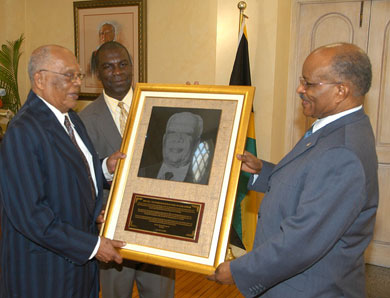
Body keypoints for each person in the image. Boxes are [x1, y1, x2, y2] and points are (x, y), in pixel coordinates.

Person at [208, 43, 379, 297]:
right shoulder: (333, 127)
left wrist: (239, 271)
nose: (300, 89)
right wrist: (261, 171)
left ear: (341, 91)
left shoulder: (342, 151)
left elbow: (302, 241)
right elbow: (310, 183)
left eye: (309, 84)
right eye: (302, 80)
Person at [0, 44, 126, 298]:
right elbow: (31, 216)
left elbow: (70, 175)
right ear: (40, 79)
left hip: (78, 268)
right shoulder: (22, 131)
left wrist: (105, 167)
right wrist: (92, 246)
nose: (77, 83)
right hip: (46, 272)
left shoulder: (71, 118)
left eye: (78, 75)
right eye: (69, 75)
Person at [79, 41, 175, 298]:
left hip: (159, 224)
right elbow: (81, 177)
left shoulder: (161, 107)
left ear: (133, 67)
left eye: (123, 64)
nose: (117, 72)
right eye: (108, 67)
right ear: (98, 73)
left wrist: (194, 101)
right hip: (112, 231)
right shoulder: (84, 120)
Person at [138, 111, 211, 184]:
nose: (177, 138)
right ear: (164, 139)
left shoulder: (203, 182)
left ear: (196, 143)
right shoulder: (141, 172)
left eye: (187, 133)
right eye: (172, 132)